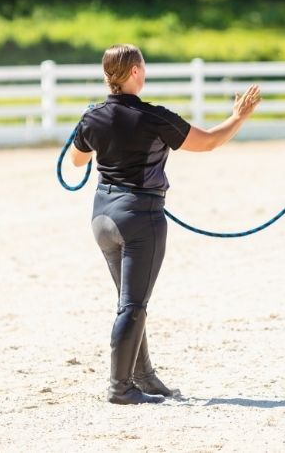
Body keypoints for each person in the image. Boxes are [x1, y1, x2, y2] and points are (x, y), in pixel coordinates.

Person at [69, 44, 261, 405]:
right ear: (135, 73)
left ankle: (143, 375)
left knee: (128, 302)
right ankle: (120, 387)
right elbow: (208, 142)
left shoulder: (91, 117)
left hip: (102, 218)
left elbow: (77, 161)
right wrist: (239, 116)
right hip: (139, 218)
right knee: (133, 306)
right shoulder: (155, 117)